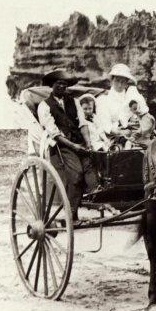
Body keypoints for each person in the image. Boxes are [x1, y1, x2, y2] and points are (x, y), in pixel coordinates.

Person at [37, 69, 97, 221]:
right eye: (59, 84)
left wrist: (88, 143)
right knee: (76, 174)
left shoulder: (74, 102)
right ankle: (72, 215)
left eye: (65, 84)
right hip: (61, 146)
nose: (62, 87)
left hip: (78, 142)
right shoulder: (44, 106)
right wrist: (73, 146)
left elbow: (83, 124)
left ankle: (95, 199)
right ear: (52, 85)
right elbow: (54, 133)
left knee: (94, 165)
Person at [96, 63, 153, 144]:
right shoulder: (103, 100)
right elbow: (106, 125)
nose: (120, 85)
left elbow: (141, 114)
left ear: (126, 82)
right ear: (112, 80)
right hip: (114, 138)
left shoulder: (132, 96)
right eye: (117, 80)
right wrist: (120, 132)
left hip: (136, 134)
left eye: (123, 81)